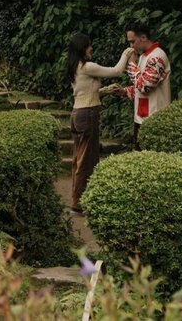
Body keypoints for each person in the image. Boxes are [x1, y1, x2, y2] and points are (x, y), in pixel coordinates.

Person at [66, 33, 134, 213]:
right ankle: (79, 203)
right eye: (89, 46)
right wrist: (127, 53)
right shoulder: (87, 66)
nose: (91, 49)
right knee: (86, 161)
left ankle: (78, 200)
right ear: (82, 48)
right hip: (87, 114)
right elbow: (116, 71)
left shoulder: (75, 66)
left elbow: (84, 92)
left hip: (78, 113)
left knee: (79, 159)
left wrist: (104, 91)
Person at [114, 22, 171, 150]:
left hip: (154, 118)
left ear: (143, 38)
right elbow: (140, 85)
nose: (131, 46)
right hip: (142, 117)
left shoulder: (157, 57)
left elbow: (145, 86)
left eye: (133, 42)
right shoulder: (144, 56)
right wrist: (124, 91)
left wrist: (130, 64)